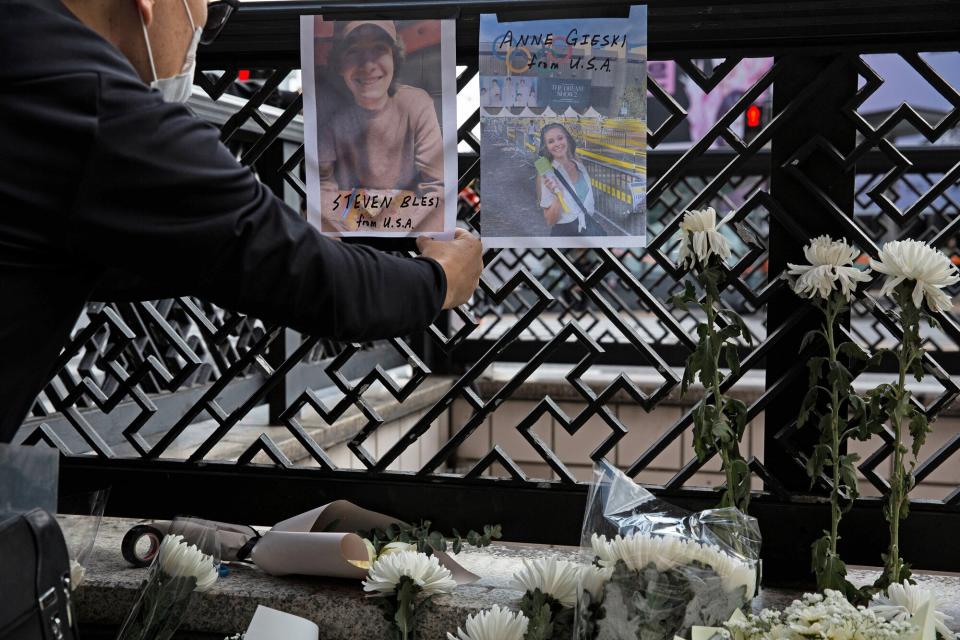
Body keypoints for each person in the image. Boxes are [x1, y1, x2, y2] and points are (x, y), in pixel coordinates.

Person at [0, 0, 483, 444]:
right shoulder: (97, 106)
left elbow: (198, 250)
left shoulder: (29, 50)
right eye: (211, 11)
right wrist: (438, 280)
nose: (201, 33)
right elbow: (306, 274)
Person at [316, 20, 444, 233]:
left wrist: (355, 204)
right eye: (354, 51)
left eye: (379, 49)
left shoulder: (416, 104)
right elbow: (319, 186)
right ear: (339, 65)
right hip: (350, 245)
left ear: (394, 59)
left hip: (408, 241)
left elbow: (438, 188)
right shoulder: (331, 113)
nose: (367, 65)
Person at [535, 123, 608, 237]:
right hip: (565, 234)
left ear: (567, 139)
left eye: (560, 138)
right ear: (547, 147)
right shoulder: (547, 175)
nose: (557, 144)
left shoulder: (579, 165)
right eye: (551, 141)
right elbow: (550, 221)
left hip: (588, 227)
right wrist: (558, 196)